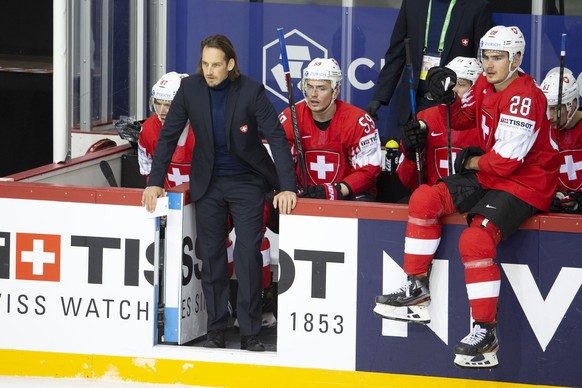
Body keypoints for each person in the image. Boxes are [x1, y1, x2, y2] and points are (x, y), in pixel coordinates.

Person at [373, 26, 559, 368]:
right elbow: (462, 118)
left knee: (474, 240)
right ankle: (416, 290)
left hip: (525, 183)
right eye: (485, 57)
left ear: (516, 59)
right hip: (491, 173)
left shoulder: (525, 96)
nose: (489, 64)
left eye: (498, 57)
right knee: (424, 199)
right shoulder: (485, 86)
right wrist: (446, 98)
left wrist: (470, 160)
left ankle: (485, 332)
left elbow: (506, 163)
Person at [142, 35, 298, 352]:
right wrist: (154, 181)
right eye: (204, 64)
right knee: (212, 257)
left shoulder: (251, 91)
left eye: (216, 65)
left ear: (230, 64)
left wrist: (287, 186)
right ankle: (216, 330)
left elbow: (278, 139)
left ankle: (251, 332)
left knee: (247, 255)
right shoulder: (190, 90)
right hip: (208, 183)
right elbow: (169, 136)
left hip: (247, 182)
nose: (209, 71)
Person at [365, 0, 492, 139]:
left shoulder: (477, 6)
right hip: (414, 103)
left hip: (452, 106)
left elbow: (483, 61)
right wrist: (379, 97)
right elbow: (396, 53)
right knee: (410, 156)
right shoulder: (412, 3)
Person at [278, 58, 382, 201]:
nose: (313, 94)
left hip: (346, 195)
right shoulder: (290, 117)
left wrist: (336, 190)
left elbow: (368, 171)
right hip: (303, 194)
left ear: (336, 90)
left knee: (364, 202)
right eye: (309, 86)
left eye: (321, 88)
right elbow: (281, 163)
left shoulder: (358, 121)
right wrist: (289, 189)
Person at [397, 56, 482, 189]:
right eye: (448, 84)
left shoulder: (486, 120)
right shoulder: (424, 117)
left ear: (477, 88)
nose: (452, 90)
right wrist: (412, 156)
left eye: (461, 84)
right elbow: (408, 181)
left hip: (475, 203)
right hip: (433, 200)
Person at [138, 72, 194, 188]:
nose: (162, 111)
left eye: (169, 105)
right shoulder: (148, 128)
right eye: (158, 104)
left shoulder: (202, 129)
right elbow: (147, 168)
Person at [540, 69, 582, 214]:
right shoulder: (542, 132)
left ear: (573, 104)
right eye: (547, 109)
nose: (550, 116)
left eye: (556, 109)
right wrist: (547, 197)